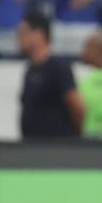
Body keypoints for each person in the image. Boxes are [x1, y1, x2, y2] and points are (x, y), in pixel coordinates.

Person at [18, 9, 85, 139]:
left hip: (55, 148)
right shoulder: (30, 70)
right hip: (32, 147)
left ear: (38, 34)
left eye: (23, 32)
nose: (18, 37)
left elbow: (77, 107)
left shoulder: (58, 67)